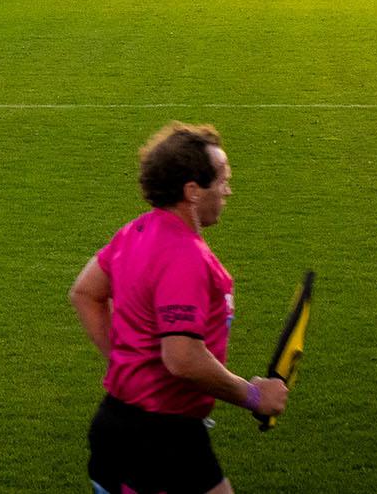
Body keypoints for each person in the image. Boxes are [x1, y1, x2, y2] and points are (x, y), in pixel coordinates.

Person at [68, 123, 287, 494]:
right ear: (192, 191)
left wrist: (125, 361)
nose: (228, 190)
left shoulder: (135, 232)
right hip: (162, 441)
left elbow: (84, 293)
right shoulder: (186, 257)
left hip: (116, 423)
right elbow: (182, 359)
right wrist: (252, 396)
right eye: (221, 180)